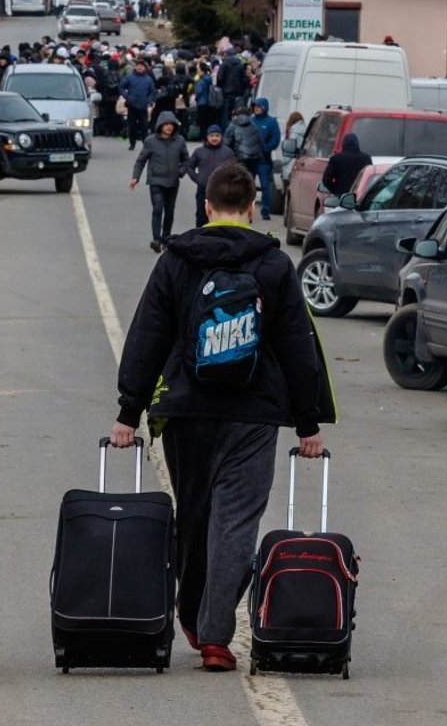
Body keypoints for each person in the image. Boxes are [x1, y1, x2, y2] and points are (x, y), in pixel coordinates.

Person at [109, 162, 331, 673]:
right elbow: (298, 346)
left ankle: (187, 612)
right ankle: (214, 636)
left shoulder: (177, 260)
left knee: (194, 515)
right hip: (253, 417)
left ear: (206, 206)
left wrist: (128, 411)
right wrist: (308, 422)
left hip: (188, 411)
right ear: (253, 206)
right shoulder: (272, 266)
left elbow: (148, 335)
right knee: (236, 523)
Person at [130, 111, 189, 253]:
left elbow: (186, 160)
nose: (169, 127)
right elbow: (141, 160)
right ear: (160, 126)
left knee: (169, 212)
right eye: (166, 124)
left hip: (173, 182)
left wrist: (181, 172)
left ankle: (165, 238)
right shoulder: (151, 141)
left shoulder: (179, 141)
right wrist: (135, 177)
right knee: (157, 208)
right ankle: (156, 239)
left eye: (171, 125)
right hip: (156, 181)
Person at [181, 125, 236, 228]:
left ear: (221, 137)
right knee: (201, 216)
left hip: (221, 190)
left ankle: (217, 240)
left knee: (219, 216)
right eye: (211, 136)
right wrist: (197, 178)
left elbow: (234, 169)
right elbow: (189, 166)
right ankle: (200, 239)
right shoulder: (199, 151)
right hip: (203, 189)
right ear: (207, 137)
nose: (214, 138)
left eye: (217, 136)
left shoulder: (228, 152)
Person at [249, 98, 281, 220]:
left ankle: (265, 210)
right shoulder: (251, 121)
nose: (256, 108)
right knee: (249, 186)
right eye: (255, 106)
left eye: (259, 106)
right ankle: (248, 210)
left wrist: (266, 148)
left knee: (265, 186)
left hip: (264, 160)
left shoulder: (271, 122)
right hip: (250, 159)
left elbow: (275, 140)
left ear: (264, 107)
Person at [119, 59, 157, 152]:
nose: (140, 67)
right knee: (131, 126)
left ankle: (145, 144)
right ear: (135, 67)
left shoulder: (148, 79)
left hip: (143, 106)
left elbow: (152, 91)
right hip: (131, 105)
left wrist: (149, 100)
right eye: (138, 66)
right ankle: (132, 144)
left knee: (144, 126)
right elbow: (121, 87)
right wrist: (127, 96)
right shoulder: (130, 77)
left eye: (142, 66)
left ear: (145, 68)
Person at [224, 106, 265, 179]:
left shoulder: (233, 125)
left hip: (239, 158)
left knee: (237, 181)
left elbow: (226, 142)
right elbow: (261, 142)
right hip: (254, 158)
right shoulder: (254, 125)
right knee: (250, 180)